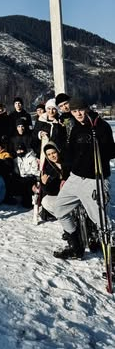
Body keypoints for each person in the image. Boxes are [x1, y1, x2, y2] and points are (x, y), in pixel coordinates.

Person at [53, 96, 115, 259]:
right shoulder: (76, 128)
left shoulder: (101, 126)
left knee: (101, 220)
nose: (78, 114)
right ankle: (76, 246)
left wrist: (97, 141)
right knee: (59, 209)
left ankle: (113, 255)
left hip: (94, 180)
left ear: (86, 108)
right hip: (75, 178)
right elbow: (70, 154)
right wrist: (64, 175)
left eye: (80, 110)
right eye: (74, 111)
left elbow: (111, 152)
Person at [40, 141, 69, 220]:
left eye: (53, 153)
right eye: (49, 154)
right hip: (61, 196)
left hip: (74, 192)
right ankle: (65, 218)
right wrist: (44, 184)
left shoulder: (67, 163)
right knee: (45, 201)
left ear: (58, 151)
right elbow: (50, 192)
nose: (52, 156)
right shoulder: (48, 169)